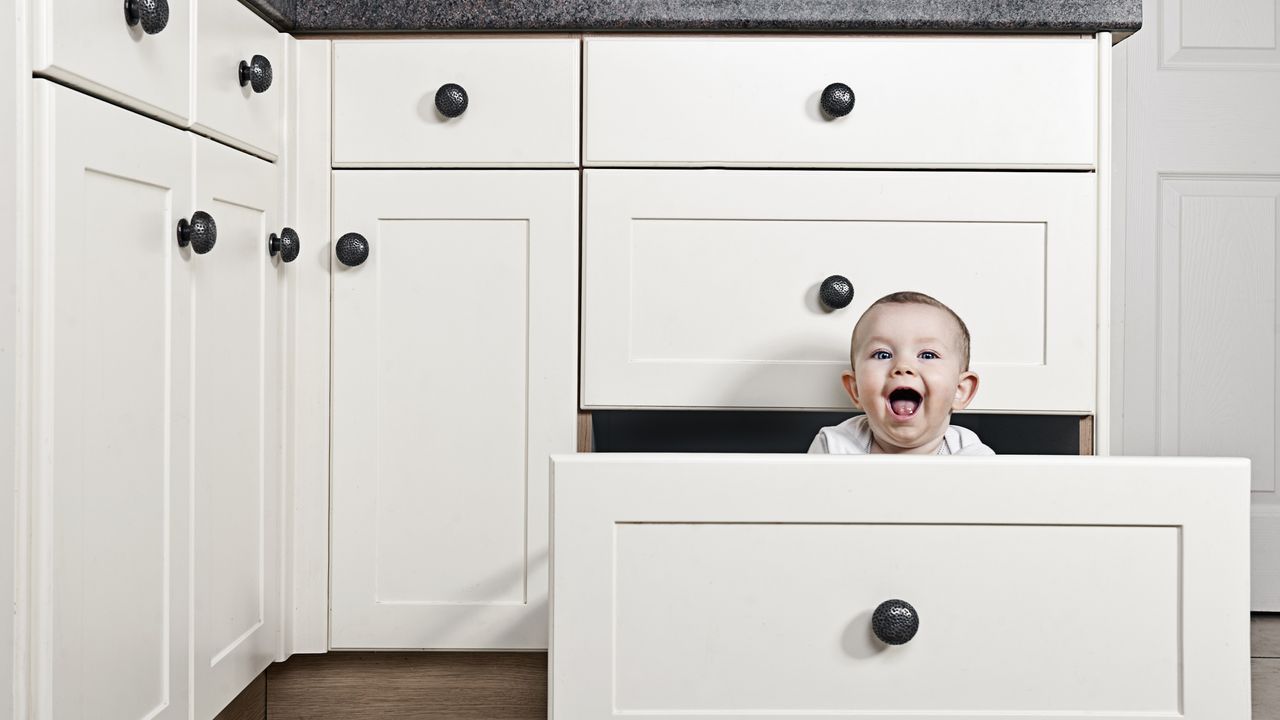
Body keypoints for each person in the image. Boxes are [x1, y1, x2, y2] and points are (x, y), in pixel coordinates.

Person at [808, 291, 994, 455]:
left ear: (960, 390)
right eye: (882, 354)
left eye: (928, 355)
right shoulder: (834, 449)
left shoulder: (971, 458)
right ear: (855, 389)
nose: (903, 366)